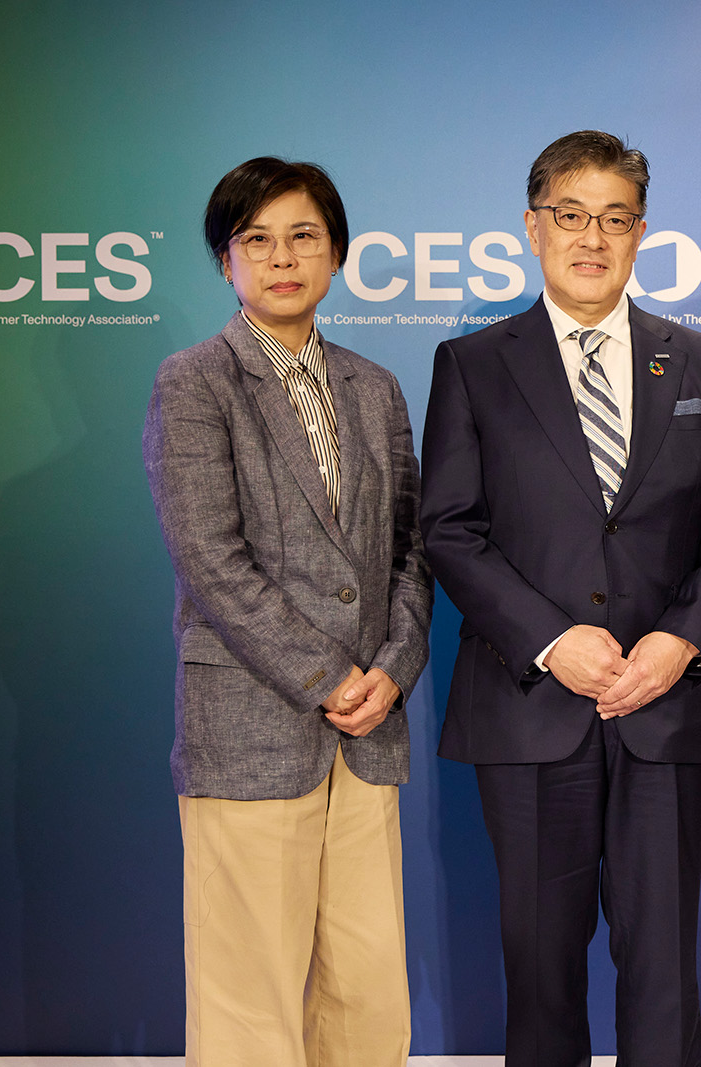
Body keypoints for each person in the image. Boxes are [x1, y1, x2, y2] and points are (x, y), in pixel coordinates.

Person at [418, 130, 701, 1067]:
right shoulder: (473, 364)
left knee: (663, 963)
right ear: (533, 229)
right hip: (531, 708)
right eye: (570, 217)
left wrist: (679, 642)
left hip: (665, 705)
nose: (591, 238)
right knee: (539, 965)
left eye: (614, 219)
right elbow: (449, 528)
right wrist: (549, 640)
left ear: (641, 232)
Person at [143, 157, 433, 1065]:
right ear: (225, 261)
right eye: (255, 239)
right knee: (249, 994)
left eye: (303, 235)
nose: (282, 257)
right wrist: (330, 676)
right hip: (252, 725)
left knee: (367, 985)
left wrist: (394, 667)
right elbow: (211, 560)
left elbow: (408, 550)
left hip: (368, 729)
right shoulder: (195, 381)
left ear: (336, 253)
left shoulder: (375, 387)